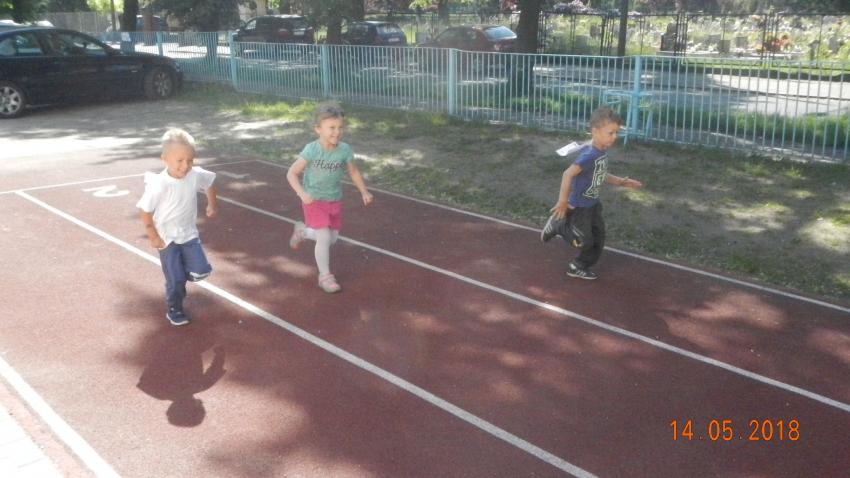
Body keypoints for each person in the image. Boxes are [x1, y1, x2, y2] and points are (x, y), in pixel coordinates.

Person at [541, 107, 642, 280]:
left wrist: (620, 182)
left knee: (598, 238)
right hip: (579, 207)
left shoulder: (600, 151)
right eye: (610, 133)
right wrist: (562, 201)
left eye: (616, 133)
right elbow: (567, 174)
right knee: (584, 241)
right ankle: (558, 225)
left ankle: (578, 266)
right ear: (595, 131)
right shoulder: (589, 154)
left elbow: (599, 173)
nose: (615, 137)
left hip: (593, 205)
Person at [287, 102, 373, 293]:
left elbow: (353, 172)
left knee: (332, 239)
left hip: (334, 199)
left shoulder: (344, 150)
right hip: (313, 200)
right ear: (318, 129)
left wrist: (364, 191)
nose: (337, 132)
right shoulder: (312, 150)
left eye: (340, 127)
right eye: (331, 128)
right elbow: (291, 173)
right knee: (324, 237)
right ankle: (325, 276)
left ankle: (302, 232)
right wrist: (302, 194)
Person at [137, 129, 218, 325]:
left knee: (202, 270)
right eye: (180, 160)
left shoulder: (194, 174)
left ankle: (185, 272)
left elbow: (209, 184)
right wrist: (153, 236)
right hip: (166, 238)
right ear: (165, 159)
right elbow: (145, 211)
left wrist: (212, 204)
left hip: (189, 234)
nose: (185, 165)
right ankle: (175, 310)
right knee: (176, 279)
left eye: (190, 160)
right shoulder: (160, 184)